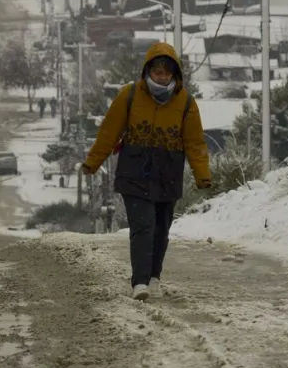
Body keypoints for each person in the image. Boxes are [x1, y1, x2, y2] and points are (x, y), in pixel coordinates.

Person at [81, 42, 211, 302]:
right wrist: (92, 162)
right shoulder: (129, 96)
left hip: (168, 172)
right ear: (147, 72)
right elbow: (109, 132)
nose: (162, 77)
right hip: (135, 171)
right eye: (157, 72)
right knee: (143, 226)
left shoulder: (186, 102)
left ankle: (154, 278)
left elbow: (194, 142)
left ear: (175, 75)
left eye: (167, 73)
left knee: (161, 229)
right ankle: (139, 282)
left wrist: (202, 174)